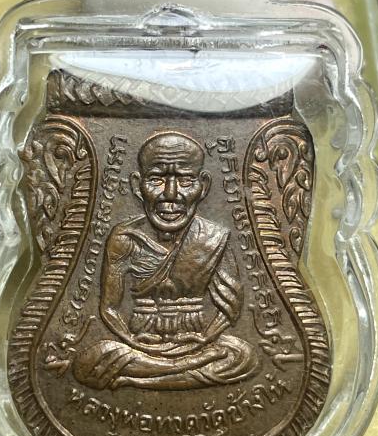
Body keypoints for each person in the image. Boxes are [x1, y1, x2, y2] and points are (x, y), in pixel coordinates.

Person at [73, 131, 259, 390]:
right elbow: (110, 308)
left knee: (242, 356)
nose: (171, 194)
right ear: (137, 185)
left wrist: (205, 339)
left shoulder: (214, 237)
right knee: (88, 362)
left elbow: (230, 307)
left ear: (204, 186)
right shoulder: (124, 237)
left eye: (185, 180)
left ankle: (139, 379)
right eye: (156, 179)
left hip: (196, 341)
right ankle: (178, 371)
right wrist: (133, 341)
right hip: (140, 342)